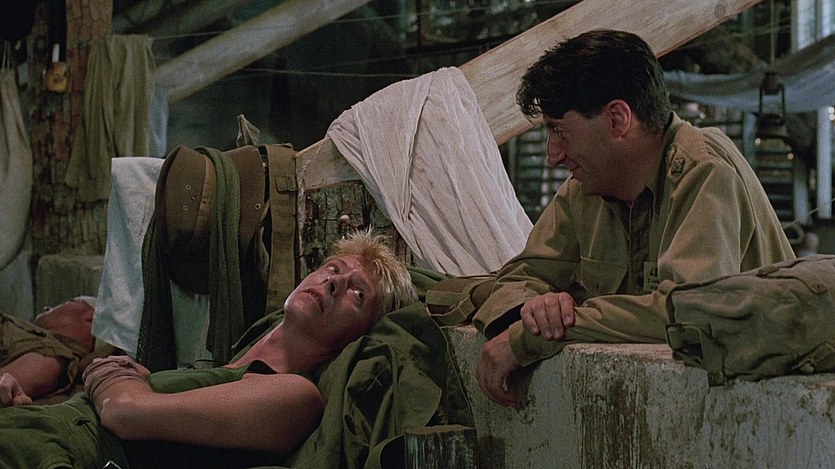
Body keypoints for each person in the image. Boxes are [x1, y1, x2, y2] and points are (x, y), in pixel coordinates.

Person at [473, 29, 796, 407]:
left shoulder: (704, 171)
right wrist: (534, 311)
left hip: (764, 409)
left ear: (617, 119)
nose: (553, 155)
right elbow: (517, 279)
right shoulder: (585, 190)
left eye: (560, 131)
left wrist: (535, 336)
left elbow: (688, 312)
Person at [0, 229, 419, 468]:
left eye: (357, 293)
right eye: (332, 268)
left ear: (359, 334)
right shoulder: (228, 368)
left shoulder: (295, 395)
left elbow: (124, 412)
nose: (334, 282)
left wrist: (109, 371)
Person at [0, 296, 99, 407]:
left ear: (90, 317)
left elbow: (4, 387)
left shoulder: (54, 356)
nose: (46, 308)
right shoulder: (40, 341)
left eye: (66, 302)